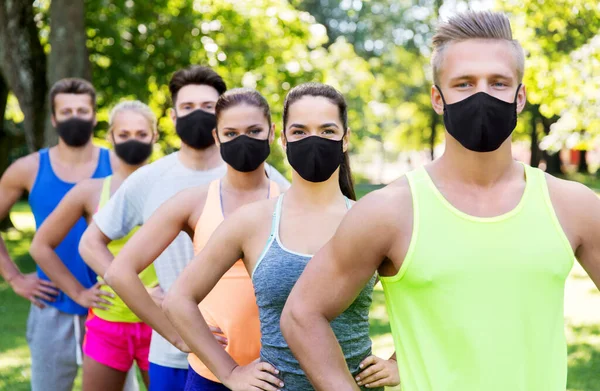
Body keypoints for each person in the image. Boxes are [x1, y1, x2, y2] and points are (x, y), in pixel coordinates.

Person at [280, 11, 600, 391]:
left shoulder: (573, 205)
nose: (482, 96)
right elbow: (302, 314)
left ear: (520, 97)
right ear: (437, 98)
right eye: (464, 84)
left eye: (498, 83)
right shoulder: (390, 211)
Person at [163, 83, 399, 391]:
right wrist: (230, 373)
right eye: (300, 131)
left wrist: (398, 362)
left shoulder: (371, 220)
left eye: (327, 131)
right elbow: (178, 300)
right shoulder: (253, 221)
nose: (313, 140)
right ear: (284, 140)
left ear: (345, 139)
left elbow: (430, 297)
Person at [78, 66, 289, 391]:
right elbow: (94, 246)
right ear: (174, 117)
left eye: (207, 107)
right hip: (177, 352)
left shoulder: (272, 181)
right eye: (188, 108)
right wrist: (169, 324)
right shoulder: (152, 179)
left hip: (264, 356)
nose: (198, 116)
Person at [30, 100, 159, 391]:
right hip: (109, 322)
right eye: (124, 135)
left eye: (141, 133)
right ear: (111, 136)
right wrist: (78, 293)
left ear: (155, 136)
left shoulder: (173, 187)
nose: (133, 141)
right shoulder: (90, 192)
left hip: (162, 321)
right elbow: (41, 246)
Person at [0, 78, 115, 391]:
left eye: (82, 110)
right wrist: (14, 278)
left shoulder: (117, 165)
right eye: (66, 111)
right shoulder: (27, 168)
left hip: (112, 307)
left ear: (93, 115)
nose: (75, 117)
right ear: (54, 118)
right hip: (51, 306)